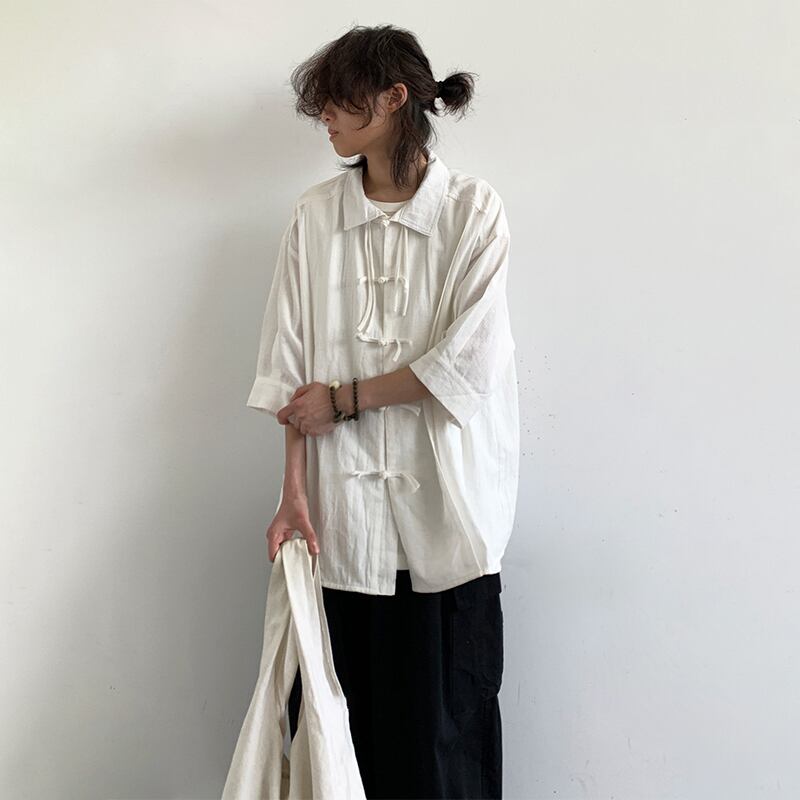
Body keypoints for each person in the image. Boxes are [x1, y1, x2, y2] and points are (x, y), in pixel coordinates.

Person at [245, 23, 520, 800]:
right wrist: (293, 495)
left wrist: (346, 399)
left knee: (445, 748)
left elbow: (466, 365)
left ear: (396, 97)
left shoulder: (472, 212)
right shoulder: (314, 217)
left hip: (449, 523)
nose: (324, 116)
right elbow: (290, 369)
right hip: (340, 524)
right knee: (339, 748)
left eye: (338, 99)